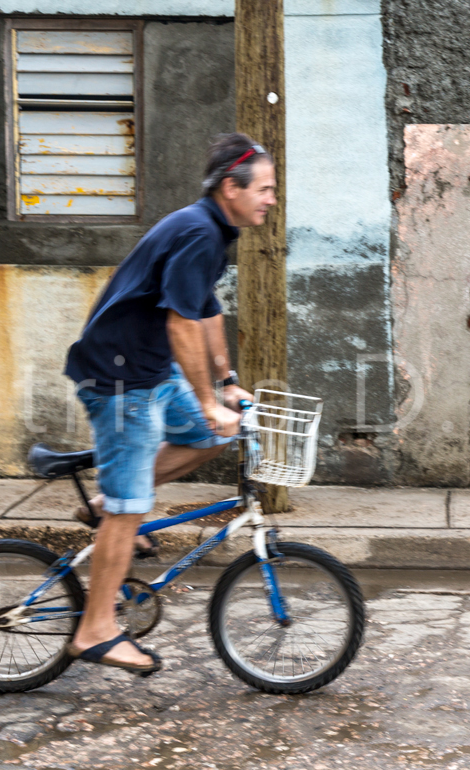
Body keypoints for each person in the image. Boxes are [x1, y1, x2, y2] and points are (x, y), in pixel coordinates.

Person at [61, 133, 275, 674]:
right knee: (133, 507)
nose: (271, 199)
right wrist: (206, 399)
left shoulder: (209, 230)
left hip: (147, 367)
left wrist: (225, 382)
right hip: (119, 375)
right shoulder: (200, 232)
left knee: (212, 434)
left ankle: (112, 507)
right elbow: (181, 323)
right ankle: (95, 630)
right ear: (232, 187)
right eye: (265, 189)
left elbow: (204, 312)